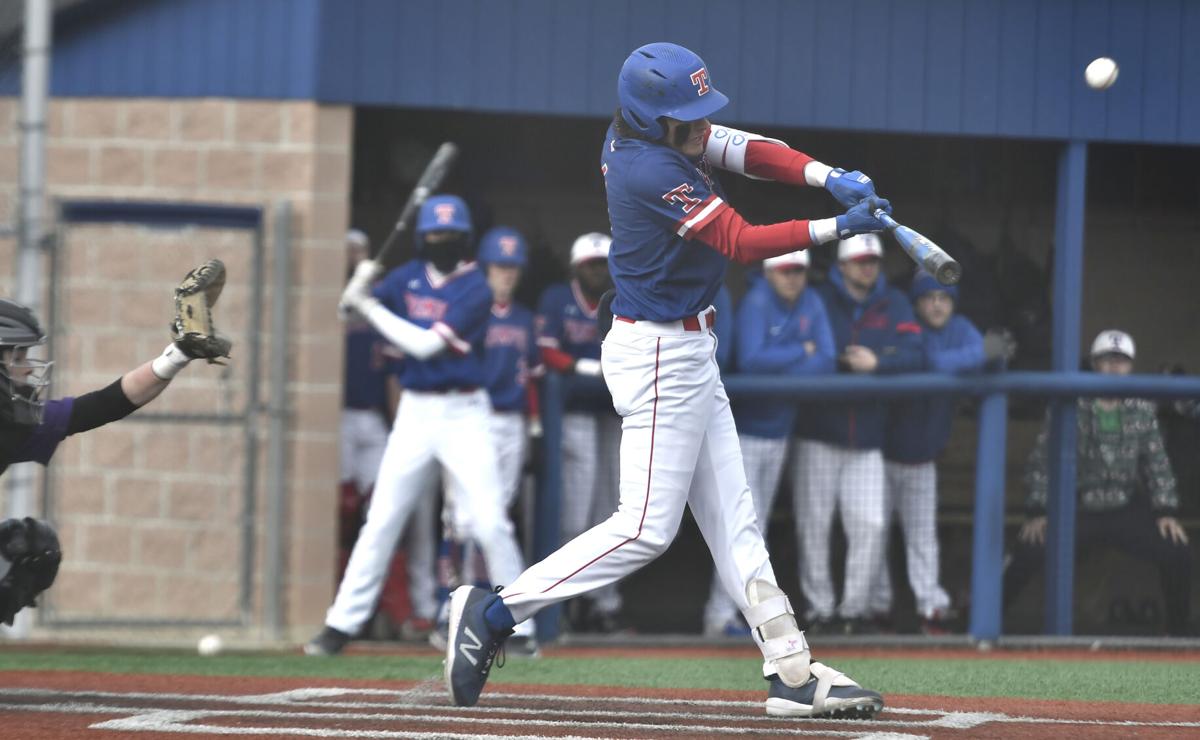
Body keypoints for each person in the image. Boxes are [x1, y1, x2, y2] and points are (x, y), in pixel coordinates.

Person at [444, 42, 890, 718]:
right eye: (689, 118)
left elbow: (748, 149)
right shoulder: (647, 167)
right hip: (659, 356)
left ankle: (792, 671)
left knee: (737, 522)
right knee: (645, 528)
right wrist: (835, 227)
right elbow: (739, 241)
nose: (702, 128)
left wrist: (825, 174)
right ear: (652, 120)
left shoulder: (664, 131)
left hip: (687, 346)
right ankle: (496, 613)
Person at [309, 195, 527, 655]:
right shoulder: (405, 277)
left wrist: (368, 307)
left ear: (465, 239)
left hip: (465, 412)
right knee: (382, 519)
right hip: (414, 411)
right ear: (421, 238)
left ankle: (520, 627)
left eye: (449, 235)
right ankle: (340, 625)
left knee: (490, 522)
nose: (440, 242)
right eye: (433, 235)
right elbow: (341, 316)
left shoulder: (476, 288)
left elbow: (427, 345)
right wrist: (356, 286)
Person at [1, 260, 230, 625]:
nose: (28, 368)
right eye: (17, 356)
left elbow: (102, 406)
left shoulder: (12, 421)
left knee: (31, 548)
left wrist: (178, 355)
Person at [1004, 330, 1192, 636]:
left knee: (1178, 551)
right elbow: (1042, 460)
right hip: (1077, 505)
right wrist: (1037, 509)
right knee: (1028, 549)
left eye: (1121, 361)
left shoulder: (1141, 408)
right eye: (1107, 360)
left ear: (1130, 366)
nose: (1114, 367)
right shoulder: (1069, 404)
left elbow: (1156, 462)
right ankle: (982, 631)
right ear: (1093, 363)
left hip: (1124, 505)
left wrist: (1165, 510)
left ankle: (1179, 636)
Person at [791, 234, 924, 634]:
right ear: (842, 266)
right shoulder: (818, 298)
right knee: (813, 526)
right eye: (860, 261)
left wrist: (878, 362)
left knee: (870, 525)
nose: (868, 267)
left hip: (867, 437)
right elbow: (802, 348)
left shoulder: (895, 302)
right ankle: (819, 610)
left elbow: (916, 354)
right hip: (818, 432)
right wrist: (833, 359)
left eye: (873, 261)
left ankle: (853, 612)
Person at [701, 249, 835, 636]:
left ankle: (732, 614)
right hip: (744, 433)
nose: (793, 278)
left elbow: (826, 359)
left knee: (752, 529)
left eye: (798, 271)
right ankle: (719, 614)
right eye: (785, 271)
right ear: (770, 273)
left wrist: (798, 357)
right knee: (741, 527)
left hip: (780, 432)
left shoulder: (811, 301)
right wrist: (801, 351)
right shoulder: (757, 302)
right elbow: (751, 359)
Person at [430, 225, 543, 655]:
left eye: (513, 267)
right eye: (500, 266)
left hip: (510, 423)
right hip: (469, 420)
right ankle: (450, 609)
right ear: (484, 268)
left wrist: (533, 428)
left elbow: (532, 377)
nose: (507, 275)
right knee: (463, 520)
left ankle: (487, 612)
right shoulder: (469, 313)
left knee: (495, 521)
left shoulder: (524, 319)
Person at [336, 229, 437, 644]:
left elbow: (395, 371)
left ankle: (394, 610)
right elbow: (342, 316)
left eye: (359, 250)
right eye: (348, 250)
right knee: (343, 512)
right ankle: (345, 607)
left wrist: (400, 427)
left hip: (375, 418)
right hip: (338, 418)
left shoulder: (382, 299)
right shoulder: (337, 300)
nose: (353, 256)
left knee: (384, 508)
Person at [877, 270, 986, 634]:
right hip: (882, 456)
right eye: (929, 298)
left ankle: (931, 609)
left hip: (923, 459)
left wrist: (980, 355)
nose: (937, 304)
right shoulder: (906, 324)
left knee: (923, 537)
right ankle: (875, 608)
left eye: (944, 298)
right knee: (873, 534)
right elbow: (930, 360)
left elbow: (982, 355)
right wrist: (970, 358)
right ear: (917, 302)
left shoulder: (962, 327)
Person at [536, 232, 626, 632]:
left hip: (614, 412)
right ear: (576, 268)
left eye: (602, 263)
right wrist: (584, 369)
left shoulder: (622, 296)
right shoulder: (558, 298)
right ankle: (563, 601)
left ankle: (602, 604)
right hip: (571, 412)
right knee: (576, 511)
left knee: (615, 508)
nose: (597, 270)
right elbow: (544, 350)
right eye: (590, 264)